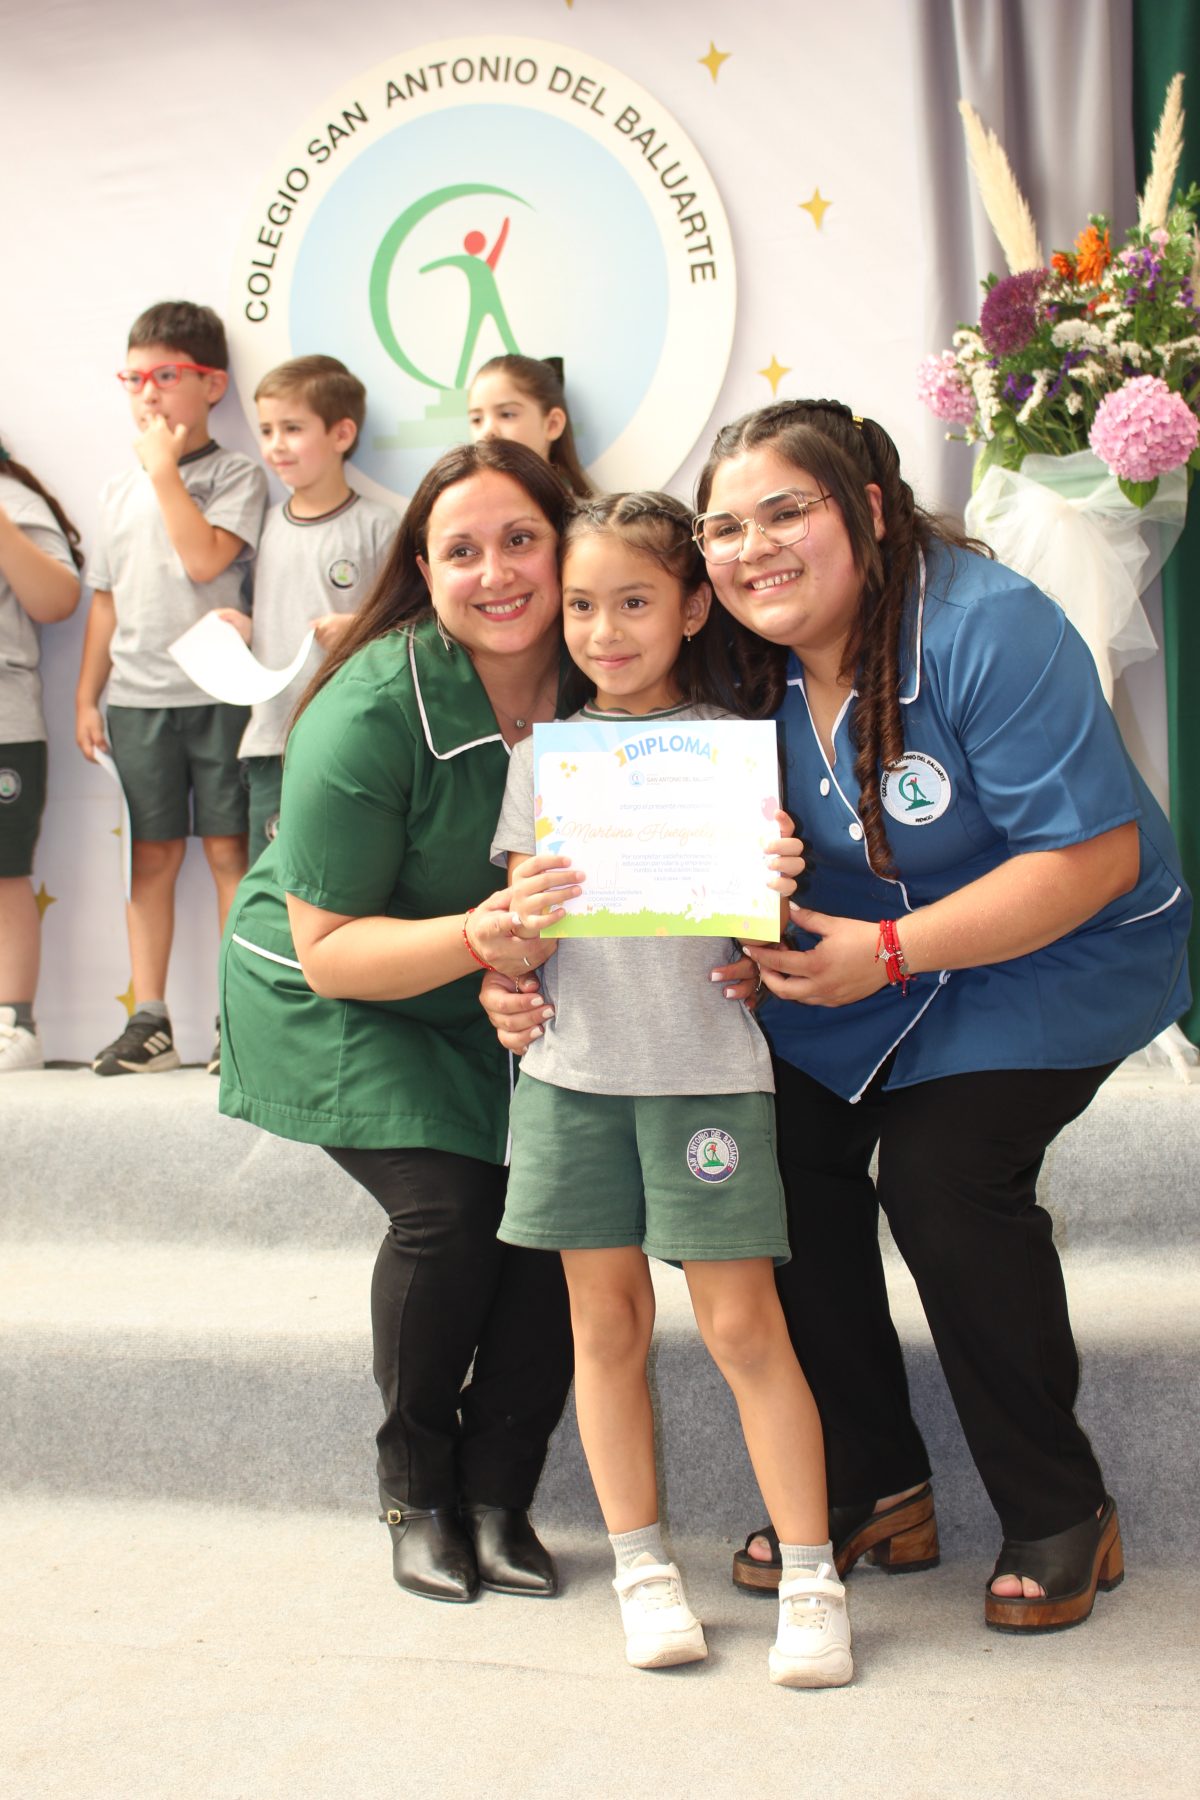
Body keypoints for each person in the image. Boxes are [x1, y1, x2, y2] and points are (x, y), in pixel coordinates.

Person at [687, 397, 1191, 1634]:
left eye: (785, 512)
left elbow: (1090, 862)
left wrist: (894, 952)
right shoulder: (737, 659)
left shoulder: (989, 627)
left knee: (941, 1174)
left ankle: (1060, 1504)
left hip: (1052, 953)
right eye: (723, 527)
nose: (752, 549)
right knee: (774, 1160)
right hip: (859, 965)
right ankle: (873, 1480)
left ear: (865, 510)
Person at [490, 492, 854, 1687]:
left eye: (635, 601)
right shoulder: (544, 761)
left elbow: (769, 938)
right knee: (607, 1327)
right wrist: (516, 934)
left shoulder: (738, 751)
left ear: (695, 607)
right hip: (572, 1081)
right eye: (584, 605)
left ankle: (812, 1576)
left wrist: (771, 901)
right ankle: (644, 1570)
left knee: (746, 1326)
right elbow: (514, 950)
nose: (604, 629)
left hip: (705, 1078)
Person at [218, 439, 574, 1606]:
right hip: (333, 985)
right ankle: (416, 1491)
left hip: (497, 987)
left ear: (566, 542)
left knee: (562, 1213)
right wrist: (482, 943)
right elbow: (331, 948)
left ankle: (499, 1494)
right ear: (422, 569)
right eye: (461, 550)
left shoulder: (612, 675)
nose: (497, 572)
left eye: (521, 538)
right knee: (457, 1206)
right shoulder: (370, 708)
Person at [75, 300, 268, 1076]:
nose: (147, 394)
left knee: (229, 853)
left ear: (212, 384)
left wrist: (164, 471)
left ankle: (238, 1020)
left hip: (219, 696)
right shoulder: (118, 492)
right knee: (150, 859)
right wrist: (89, 694)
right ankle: (149, 1021)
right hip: (139, 702)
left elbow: (203, 561)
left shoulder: (235, 474)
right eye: (134, 379)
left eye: (165, 377)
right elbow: (106, 599)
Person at [217, 355, 399, 861]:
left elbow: (410, 627)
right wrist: (245, 627)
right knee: (272, 881)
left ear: (341, 434)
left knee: (345, 869)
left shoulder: (378, 526)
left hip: (350, 738)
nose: (275, 444)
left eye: (292, 428)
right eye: (267, 429)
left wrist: (359, 628)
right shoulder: (265, 524)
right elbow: (278, 611)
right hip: (272, 739)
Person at [0, 442, 83, 1072]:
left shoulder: (14, 500)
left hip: (5, 724)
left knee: (4, 874)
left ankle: (13, 1023)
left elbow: (57, 599)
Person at [467, 354, 593, 498]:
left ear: (553, 424)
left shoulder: (583, 516)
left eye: (507, 414)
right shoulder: (469, 504)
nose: (488, 431)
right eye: (477, 419)